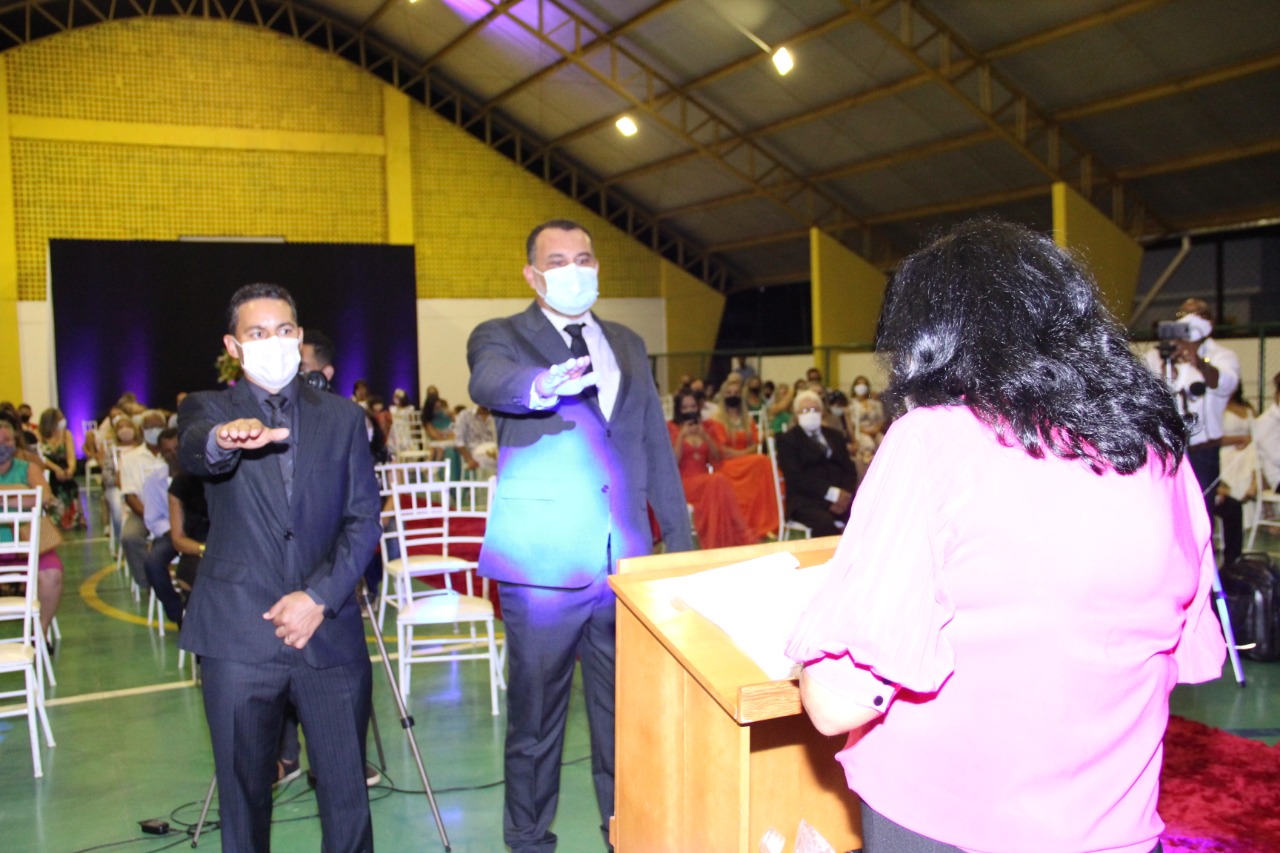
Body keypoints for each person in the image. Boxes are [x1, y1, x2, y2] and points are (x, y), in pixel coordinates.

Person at [785, 220, 1226, 853]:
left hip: (948, 823)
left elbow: (835, 704)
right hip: (1112, 825)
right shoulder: (1157, 452)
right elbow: (1176, 650)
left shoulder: (933, 441)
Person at [467, 218, 693, 852]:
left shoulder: (627, 341)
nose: (575, 270)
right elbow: (488, 379)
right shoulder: (503, 336)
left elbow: (653, 443)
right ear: (533, 275)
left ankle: (626, 833)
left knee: (625, 720)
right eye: (558, 260)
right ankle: (529, 841)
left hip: (624, 566)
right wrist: (540, 385)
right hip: (544, 567)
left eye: (585, 257)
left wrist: (680, 545)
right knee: (535, 725)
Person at [177, 283, 381, 853]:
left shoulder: (342, 418)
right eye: (257, 333)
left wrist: (318, 596)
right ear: (233, 346)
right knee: (244, 798)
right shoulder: (208, 408)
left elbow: (364, 520)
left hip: (329, 631)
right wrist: (224, 440)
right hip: (239, 635)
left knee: (346, 795)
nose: (274, 342)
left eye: (284, 330)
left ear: (299, 335)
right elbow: (195, 448)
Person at [1145, 297, 1243, 564]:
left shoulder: (1223, 355)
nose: (1189, 321)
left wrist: (1196, 360)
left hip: (1202, 452)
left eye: (1198, 315)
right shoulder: (1160, 354)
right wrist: (1172, 364)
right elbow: (1150, 392)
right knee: (1165, 516)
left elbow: (1225, 383)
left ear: (1209, 322)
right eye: (1184, 315)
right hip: (1167, 448)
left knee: (1200, 517)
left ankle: (1204, 577)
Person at [0, 411, 64, 638]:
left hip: (29, 544)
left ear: (14, 441)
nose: (2, 445)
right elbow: (31, 497)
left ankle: (41, 631)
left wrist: (7, 495)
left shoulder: (28, 468)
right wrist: (21, 494)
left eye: (6, 440)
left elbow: (44, 496)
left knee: (52, 574)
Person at [669, 390, 754, 550]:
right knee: (718, 481)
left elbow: (717, 458)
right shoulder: (671, 428)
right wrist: (681, 436)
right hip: (683, 483)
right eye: (685, 407)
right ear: (678, 409)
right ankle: (738, 535)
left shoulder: (707, 426)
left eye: (693, 406)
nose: (689, 411)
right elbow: (672, 463)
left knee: (718, 482)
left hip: (704, 480)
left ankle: (728, 538)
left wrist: (705, 436)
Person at [775, 389, 858, 536]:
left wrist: (845, 494)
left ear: (822, 412)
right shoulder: (787, 440)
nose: (810, 413)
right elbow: (795, 477)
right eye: (805, 410)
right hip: (807, 499)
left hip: (842, 496)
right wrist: (831, 494)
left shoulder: (835, 436)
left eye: (814, 409)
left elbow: (849, 468)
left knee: (866, 513)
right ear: (796, 415)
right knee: (824, 523)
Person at [120, 410, 171, 588]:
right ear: (141, 430)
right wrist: (150, 516)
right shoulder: (129, 459)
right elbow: (130, 495)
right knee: (130, 537)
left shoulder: (174, 453)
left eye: (158, 426)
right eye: (150, 427)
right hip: (142, 510)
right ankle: (149, 583)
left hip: (175, 510)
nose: (154, 431)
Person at [140, 429, 184, 627]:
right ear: (160, 453)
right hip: (168, 535)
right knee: (152, 562)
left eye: (176, 449)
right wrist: (174, 532)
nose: (172, 454)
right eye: (167, 451)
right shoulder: (153, 480)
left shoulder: (199, 474)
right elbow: (152, 519)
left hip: (198, 532)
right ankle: (176, 612)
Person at [37, 408, 82, 530]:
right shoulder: (38, 435)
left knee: (70, 484)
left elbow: (71, 456)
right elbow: (40, 457)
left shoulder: (66, 434)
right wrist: (55, 469)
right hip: (47, 469)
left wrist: (70, 469)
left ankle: (72, 515)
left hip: (63, 469)